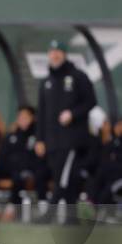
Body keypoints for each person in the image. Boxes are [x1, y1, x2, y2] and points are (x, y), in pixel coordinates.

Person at [35, 40, 97, 205]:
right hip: (52, 141)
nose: (55, 55)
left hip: (72, 140)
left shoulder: (78, 76)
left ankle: (53, 210)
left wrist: (73, 113)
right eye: (52, 52)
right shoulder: (46, 81)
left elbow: (91, 101)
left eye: (58, 52)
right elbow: (41, 113)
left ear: (64, 54)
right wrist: (40, 139)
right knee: (59, 176)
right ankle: (69, 215)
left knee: (66, 176)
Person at [0, 106, 49, 213]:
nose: (22, 119)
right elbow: (3, 155)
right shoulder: (11, 134)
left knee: (32, 174)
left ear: (33, 118)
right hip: (12, 168)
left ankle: (41, 205)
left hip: (30, 169)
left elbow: (39, 157)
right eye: (20, 117)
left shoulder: (39, 136)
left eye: (25, 117)